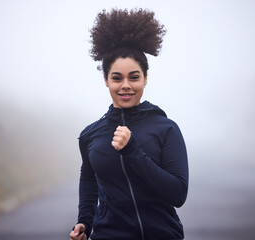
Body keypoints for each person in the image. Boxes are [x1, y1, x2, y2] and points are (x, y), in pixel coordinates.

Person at [70, 8, 189, 240]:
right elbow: (89, 178)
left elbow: (178, 194)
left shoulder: (166, 129)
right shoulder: (90, 136)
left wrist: (133, 150)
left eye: (134, 77)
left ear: (145, 78)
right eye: (117, 78)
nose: (125, 85)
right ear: (106, 80)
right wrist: (85, 221)